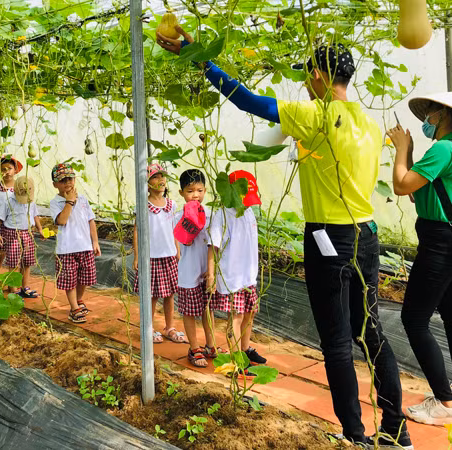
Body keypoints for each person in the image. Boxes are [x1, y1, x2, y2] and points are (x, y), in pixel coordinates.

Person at [157, 29, 412, 448]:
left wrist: (198, 56)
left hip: (328, 236)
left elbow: (245, 99)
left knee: (336, 341)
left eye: (307, 76)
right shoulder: (370, 121)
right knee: (371, 334)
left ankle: (354, 435)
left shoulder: (315, 114)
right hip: (366, 236)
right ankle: (396, 431)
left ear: (317, 75)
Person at [387, 92, 452, 428]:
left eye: (430, 112)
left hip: (439, 245)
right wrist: (411, 153)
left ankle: (445, 405)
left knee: (414, 320)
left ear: (444, 114)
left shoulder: (443, 150)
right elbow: (420, 189)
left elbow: (403, 186)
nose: (426, 118)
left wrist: (401, 149)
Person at [206, 171, 266, 374]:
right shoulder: (222, 216)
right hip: (232, 277)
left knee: (250, 313)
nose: (249, 202)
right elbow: (213, 247)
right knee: (236, 317)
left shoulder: (247, 211)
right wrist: (211, 275)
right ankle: (235, 360)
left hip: (248, 275)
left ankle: (245, 349)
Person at [132, 164, 186, 344]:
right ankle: (149, 328)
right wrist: (138, 256)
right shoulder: (143, 205)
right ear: (147, 183)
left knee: (170, 294)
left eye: (163, 176)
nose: (160, 180)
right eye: (155, 177)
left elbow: (175, 229)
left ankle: (169, 327)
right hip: (151, 258)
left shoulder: (172, 205)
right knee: (152, 295)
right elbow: (137, 230)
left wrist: (177, 252)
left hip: (169, 255)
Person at [174, 169, 221, 367]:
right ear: (181, 193)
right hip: (188, 273)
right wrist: (191, 217)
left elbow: (215, 245)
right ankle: (194, 348)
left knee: (208, 309)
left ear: (205, 190)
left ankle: (210, 345)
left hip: (206, 273)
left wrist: (213, 272)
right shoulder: (178, 216)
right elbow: (181, 242)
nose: (195, 195)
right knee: (190, 312)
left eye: (200, 190)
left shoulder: (212, 215)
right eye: (190, 191)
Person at [49, 163, 101, 324]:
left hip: (85, 246)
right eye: (63, 180)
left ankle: (78, 300)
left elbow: (90, 221)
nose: (67, 183)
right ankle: (74, 308)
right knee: (69, 280)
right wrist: (69, 202)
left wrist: (95, 242)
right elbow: (62, 221)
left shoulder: (84, 200)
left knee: (84, 278)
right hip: (67, 249)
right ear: (55, 185)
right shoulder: (55, 203)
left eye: (70, 179)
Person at [0, 175, 44, 298]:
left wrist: (40, 229)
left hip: (28, 233)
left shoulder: (31, 201)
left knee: (27, 262)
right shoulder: (8, 201)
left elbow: (35, 215)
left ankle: (25, 287)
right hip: (12, 233)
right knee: (14, 262)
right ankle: (13, 288)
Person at [0, 156, 23, 268]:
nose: (7, 172)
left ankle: (10, 281)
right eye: (3, 169)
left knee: (10, 254)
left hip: (13, 225)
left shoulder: (20, 186)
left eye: (9, 168)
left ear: (15, 169)